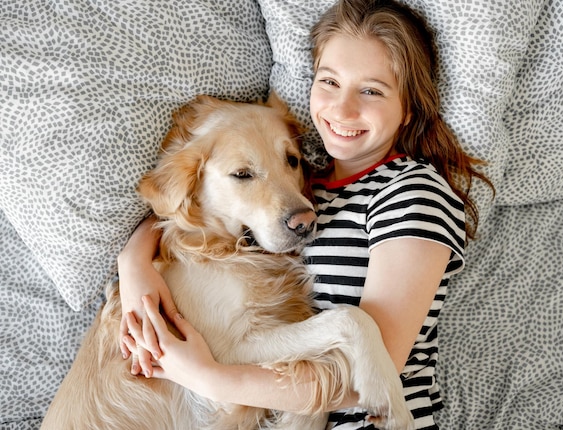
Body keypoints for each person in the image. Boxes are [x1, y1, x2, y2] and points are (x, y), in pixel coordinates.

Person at [118, 0, 493, 428]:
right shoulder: (308, 189)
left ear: (408, 107)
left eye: (371, 90)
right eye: (329, 81)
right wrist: (133, 260)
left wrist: (210, 377)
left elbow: (370, 382)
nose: (343, 109)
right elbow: (205, 205)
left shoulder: (411, 192)